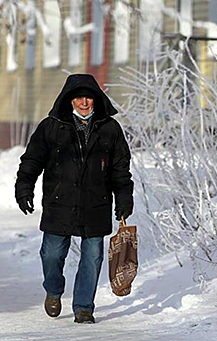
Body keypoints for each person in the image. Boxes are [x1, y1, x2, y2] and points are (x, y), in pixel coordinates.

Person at [15, 74, 134, 324]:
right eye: (79, 97)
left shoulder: (109, 129)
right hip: (60, 203)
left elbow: (120, 170)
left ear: (96, 99)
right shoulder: (51, 127)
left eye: (88, 97)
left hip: (96, 204)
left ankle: (83, 307)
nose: (84, 102)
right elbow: (32, 160)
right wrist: (24, 187)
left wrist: (124, 198)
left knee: (92, 257)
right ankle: (54, 290)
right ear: (69, 99)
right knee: (51, 254)